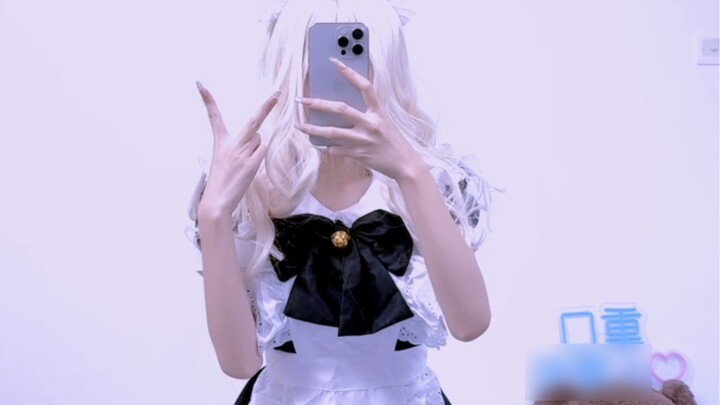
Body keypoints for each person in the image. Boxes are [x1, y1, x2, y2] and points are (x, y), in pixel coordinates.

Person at [187, 0, 498, 403]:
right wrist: (213, 217)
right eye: (320, 59)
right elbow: (239, 362)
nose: (339, 76)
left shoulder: (431, 181)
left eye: (356, 55)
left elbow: (470, 324)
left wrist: (412, 174)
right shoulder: (253, 189)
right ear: (291, 65)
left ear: (387, 65)